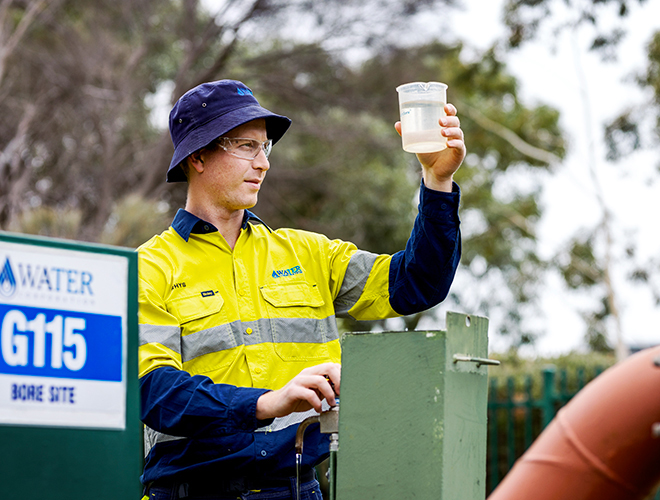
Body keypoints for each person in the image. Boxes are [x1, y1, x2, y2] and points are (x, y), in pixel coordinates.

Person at [138, 79, 465, 500]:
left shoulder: (310, 253)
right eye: (246, 147)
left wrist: (437, 181)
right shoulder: (149, 267)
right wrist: (267, 403)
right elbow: (156, 391)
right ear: (198, 155)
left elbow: (418, 284)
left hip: (296, 490)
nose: (263, 163)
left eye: (265, 147)